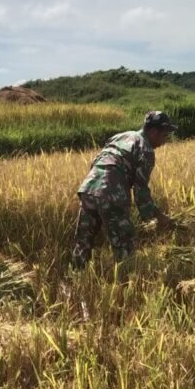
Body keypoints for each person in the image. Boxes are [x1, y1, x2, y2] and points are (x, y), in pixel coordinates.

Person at [72, 110, 177, 269]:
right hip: (112, 193)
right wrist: (158, 216)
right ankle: (125, 281)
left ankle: (76, 276)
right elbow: (141, 190)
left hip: (88, 188)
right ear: (154, 131)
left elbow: (97, 161)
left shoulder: (121, 136)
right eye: (164, 135)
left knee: (83, 241)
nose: (164, 141)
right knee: (124, 244)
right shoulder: (145, 149)